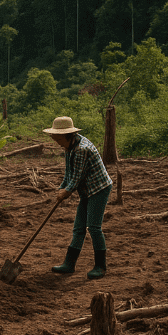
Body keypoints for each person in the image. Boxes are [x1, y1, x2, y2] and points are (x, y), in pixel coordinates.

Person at [44, 116, 113, 279]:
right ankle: (69, 264)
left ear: (67, 135)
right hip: (86, 190)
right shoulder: (69, 147)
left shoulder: (82, 149)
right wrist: (62, 189)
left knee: (93, 227)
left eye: (58, 138)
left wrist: (67, 192)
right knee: (78, 227)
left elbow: (76, 178)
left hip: (98, 189)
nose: (56, 142)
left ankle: (100, 266)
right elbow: (69, 173)